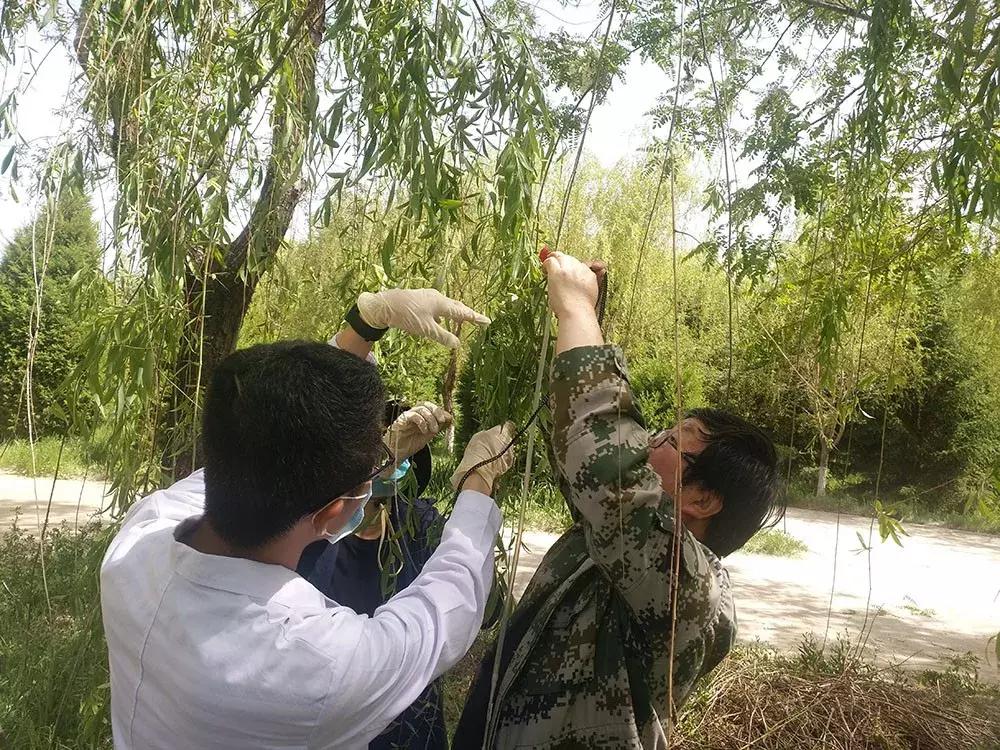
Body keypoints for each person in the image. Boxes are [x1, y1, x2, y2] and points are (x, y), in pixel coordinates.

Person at [100, 288, 516, 749]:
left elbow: (268, 431)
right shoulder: (314, 666)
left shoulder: (137, 547)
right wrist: (478, 482)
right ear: (334, 512)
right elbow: (444, 608)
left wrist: (364, 324)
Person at [454, 252, 783, 749]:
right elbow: (589, 459)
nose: (651, 441)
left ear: (704, 498)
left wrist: (577, 312)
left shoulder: (693, 589)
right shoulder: (620, 541)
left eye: (675, 440)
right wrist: (590, 322)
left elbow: (607, 468)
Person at [296, 401, 460, 750]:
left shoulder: (422, 526)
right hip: (330, 714)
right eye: (380, 456)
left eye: (398, 461)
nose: (390, 470)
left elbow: (478, 605)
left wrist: (475, 495)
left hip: (408, 721)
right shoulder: (317, 531)